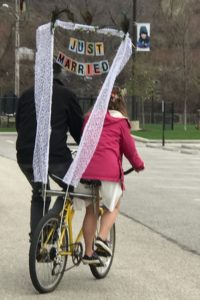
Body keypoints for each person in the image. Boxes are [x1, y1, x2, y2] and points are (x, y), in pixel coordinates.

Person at [16, 62, 83, 241]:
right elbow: (79, 131)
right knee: (71, 187)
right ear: (61, 76)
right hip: (54, 156)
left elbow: (19, 126)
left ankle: (37, 240)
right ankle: (50, 227)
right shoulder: (67, 95)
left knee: (40, 193)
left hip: (25, 155)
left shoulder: (26, 95)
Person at [79, 86, 145, 264]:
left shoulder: (88, 118)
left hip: (85, 169)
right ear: (120, 103)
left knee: (91, 210)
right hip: (107, 172)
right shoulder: (121, 122)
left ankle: (88, 253)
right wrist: (138, 165)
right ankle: (101, 238)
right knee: (113, 206)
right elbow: (130, 150)